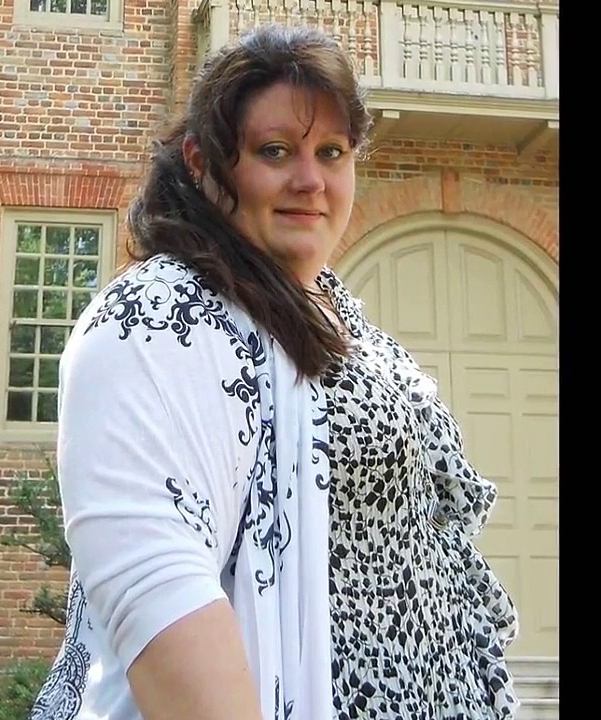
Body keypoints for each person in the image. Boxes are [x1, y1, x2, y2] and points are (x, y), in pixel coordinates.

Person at [28, 23, 521, 720]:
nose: (310, 181)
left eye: (332, 152)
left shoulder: (338, 317)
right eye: (275, 151)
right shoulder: (157, 321)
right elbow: (157, 591)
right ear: (202, 161)